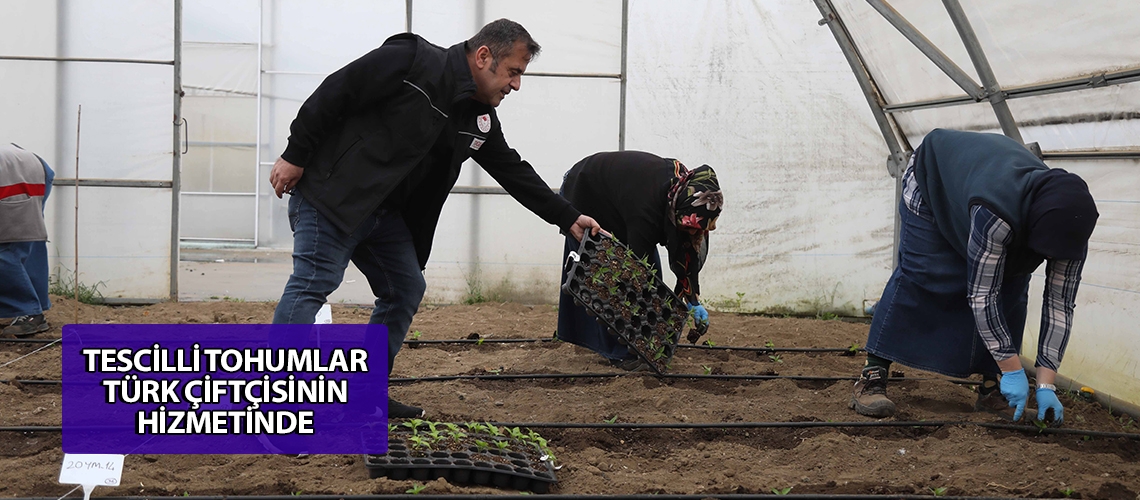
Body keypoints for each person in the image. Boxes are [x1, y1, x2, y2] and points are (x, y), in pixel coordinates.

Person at [267, 20, 603, 418]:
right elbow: (337, 91)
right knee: (312, 285)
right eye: (513, 72)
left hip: (381, 215)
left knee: (404, 288)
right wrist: (295, 155)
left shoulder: (476, 117)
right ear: (483, 57)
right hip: (333, 197)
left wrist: (567, 216)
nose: (515, 85)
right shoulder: (411, 62)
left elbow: (511, 169)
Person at [850, 128, 1098, 425]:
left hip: (981, 190)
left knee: (1013, 288)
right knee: (924, 273)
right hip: (933, 183)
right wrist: (1013, 370)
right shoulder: (996, 212)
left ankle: (992, 391)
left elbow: (1060, 306)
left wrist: (1046, 384)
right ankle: (872, 373)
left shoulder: (1072, 227)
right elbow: (982, 295)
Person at [556, 151, 722, 370]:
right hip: (586, 192)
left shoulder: (684, 193)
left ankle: (643, 347)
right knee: (610, 275)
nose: (693, 232)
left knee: (649, 277)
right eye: (689, 226)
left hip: (620, 200)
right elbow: (635, 274)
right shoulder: (647, 207)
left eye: (698, 229)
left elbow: (688, 246)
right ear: (677, 211)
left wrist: (691, 297)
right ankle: (621, 354)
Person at [0, 143, 55, 337]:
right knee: (27, 245)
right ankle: (32, 305)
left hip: (21, 176)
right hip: (30, 168)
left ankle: (30, 314)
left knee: (7, 248)